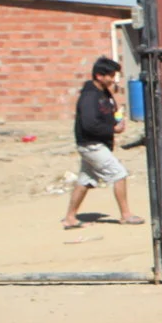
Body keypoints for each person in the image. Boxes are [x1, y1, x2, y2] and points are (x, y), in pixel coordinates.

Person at [61, 57, 143, 230]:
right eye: (110, 75)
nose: (113, 79)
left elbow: (108, 112)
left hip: (97, 144)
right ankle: (126, 215)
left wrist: (116, 120)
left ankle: (70, 218)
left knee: (86, 180)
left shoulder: (104, 93)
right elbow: (89, 124)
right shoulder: (89, 97)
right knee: (119, 174)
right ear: (99, 76)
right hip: (91, 144)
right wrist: (113, 129)